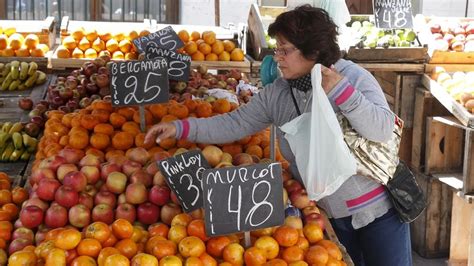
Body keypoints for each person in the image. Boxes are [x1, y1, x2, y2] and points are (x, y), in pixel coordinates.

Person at [145, 5, 411, 266]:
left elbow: (382, 129)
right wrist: (180, 128)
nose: (277, 58)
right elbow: (236, 122)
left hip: (379, 213)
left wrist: (344, 93)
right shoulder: (280, 93)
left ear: (313, 50)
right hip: (325, 216)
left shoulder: (351, 76)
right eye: (276, 48)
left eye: (285, 50)